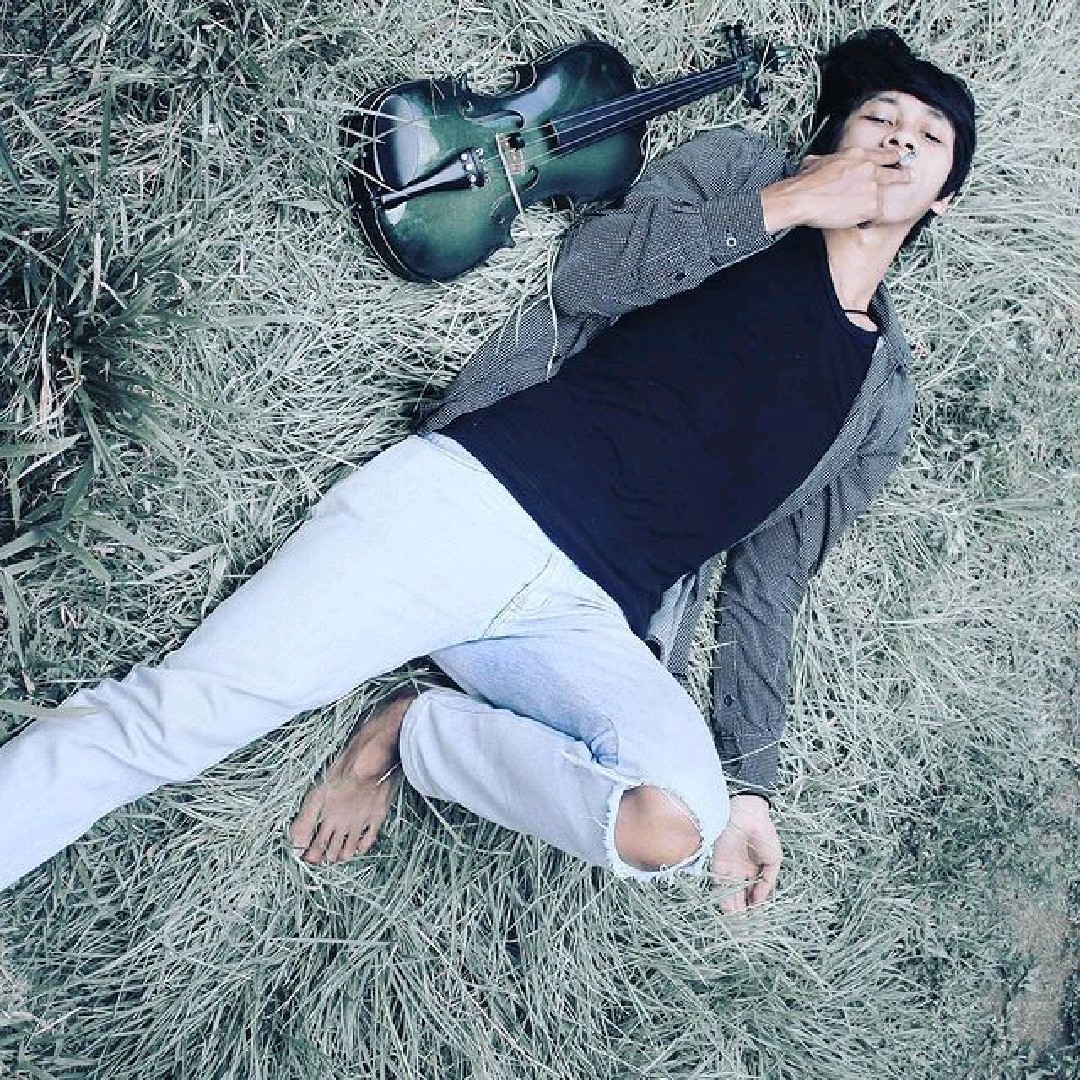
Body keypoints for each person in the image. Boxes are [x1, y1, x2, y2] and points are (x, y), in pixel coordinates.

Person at [0, 29, 976, 914]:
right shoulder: (741, 175)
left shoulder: (879, 397)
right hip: (470, 505)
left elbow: (773, 579)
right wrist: (791, 202)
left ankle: (412, 731)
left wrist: (752, 784)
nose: (898, 137)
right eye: (878, 117)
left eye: (928, 137)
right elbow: (591, 274)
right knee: (177, 721)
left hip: (581, 621)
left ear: (941, 196)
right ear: (828, 139)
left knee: (679, 818)